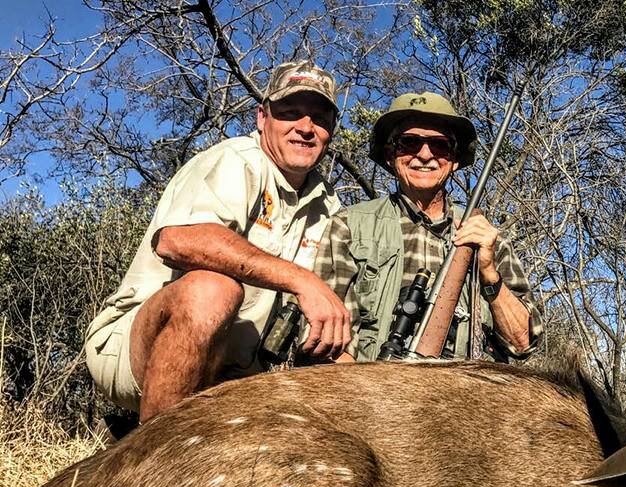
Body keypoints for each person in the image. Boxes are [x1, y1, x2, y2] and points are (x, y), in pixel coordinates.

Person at [84, 61, 351, 422]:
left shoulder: (330, 204)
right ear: (262, 117)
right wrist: (302, 280)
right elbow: (177, 241)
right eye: (290, 113)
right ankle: (158, 461)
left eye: (319, 119)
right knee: (211, 289)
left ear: (331, 130)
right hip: (132, 350)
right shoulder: (237, 160)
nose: (305, 128)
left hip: (239, 375)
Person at [316, 92, 542, 361]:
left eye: (440, 145)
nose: (424, 155)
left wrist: (489, 273)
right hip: (374, 391)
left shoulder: (487, 239)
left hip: (466, 397)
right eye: (409, 143)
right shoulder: (349, 226)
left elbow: (522, 343)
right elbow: (327, 341)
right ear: (391, 155)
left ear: (454, 159)